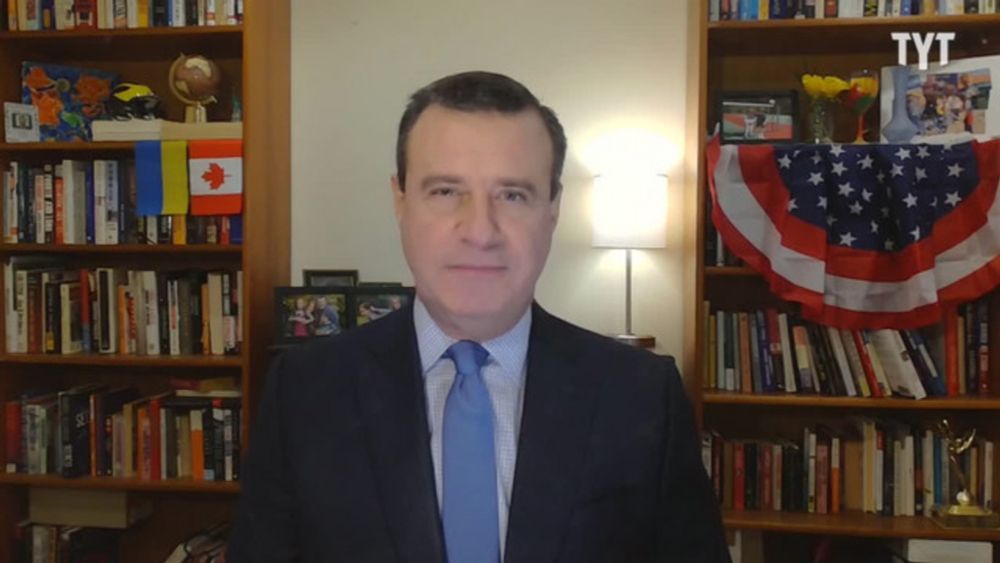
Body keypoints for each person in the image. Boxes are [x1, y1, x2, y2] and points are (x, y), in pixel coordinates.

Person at [228, 71, 729, 562]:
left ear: (552, 208)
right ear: (400, 200)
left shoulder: (642, 395)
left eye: (513, 195)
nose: (480, 232)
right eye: (446, 191)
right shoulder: (306, 392)